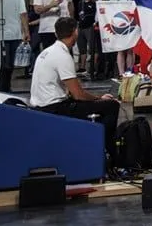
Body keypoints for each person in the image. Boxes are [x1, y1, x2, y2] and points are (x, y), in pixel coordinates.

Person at [30, 17, 120, 163]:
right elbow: (78, 95)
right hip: (54, 108)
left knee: (92, 104)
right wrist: (99, 98)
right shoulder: (62, 56)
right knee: (111, 106)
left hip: (41, 104)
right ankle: (109, 153)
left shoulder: (47, 51)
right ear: (75, 32)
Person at [0, 0, 29, 93]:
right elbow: (23, 14)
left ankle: (0, 87)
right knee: (10, 64)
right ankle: (6, 87)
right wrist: (26, 32)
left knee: (1, 63)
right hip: (14, 34)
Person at [76, 0, 98, 76]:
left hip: (90, 27)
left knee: (93, 48)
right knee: (82, 48)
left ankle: (93, 67)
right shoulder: (80, 3)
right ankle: (82, 67)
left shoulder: (94, 2)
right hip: (81, 27)